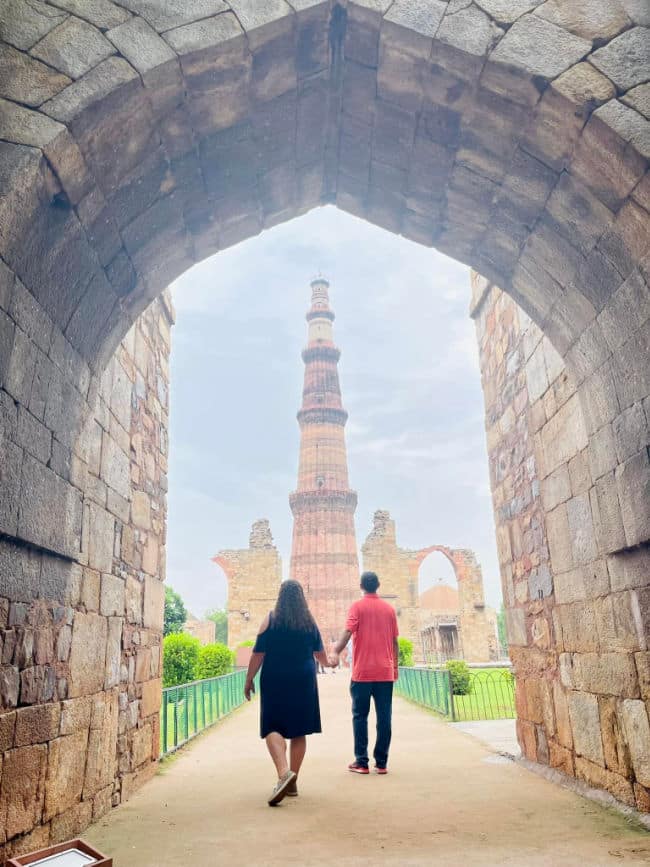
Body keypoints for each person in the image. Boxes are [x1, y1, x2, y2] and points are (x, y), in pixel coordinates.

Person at [244, 579, 332, 805]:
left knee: (272, 726)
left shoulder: (271, 619)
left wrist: (249, 678)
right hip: (303, 680)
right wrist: (332, 661)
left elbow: (258, 654)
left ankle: (284, 774)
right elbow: (321, 655)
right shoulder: (309, 622)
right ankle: (292, 783)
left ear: (280, 597)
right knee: (298, 731)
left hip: (275, 678)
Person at [330, 571, 398, 775]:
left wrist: (335, 651)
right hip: (385, 672)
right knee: (385, 717)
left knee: (360, 716)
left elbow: (347, 632)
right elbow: (395, 642)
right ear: (379, 584)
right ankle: (382, 763)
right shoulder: (389, 610)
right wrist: (394, 667)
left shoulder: (357, 607)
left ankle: (361, 762)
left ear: (361, 586)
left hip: (362, 672)